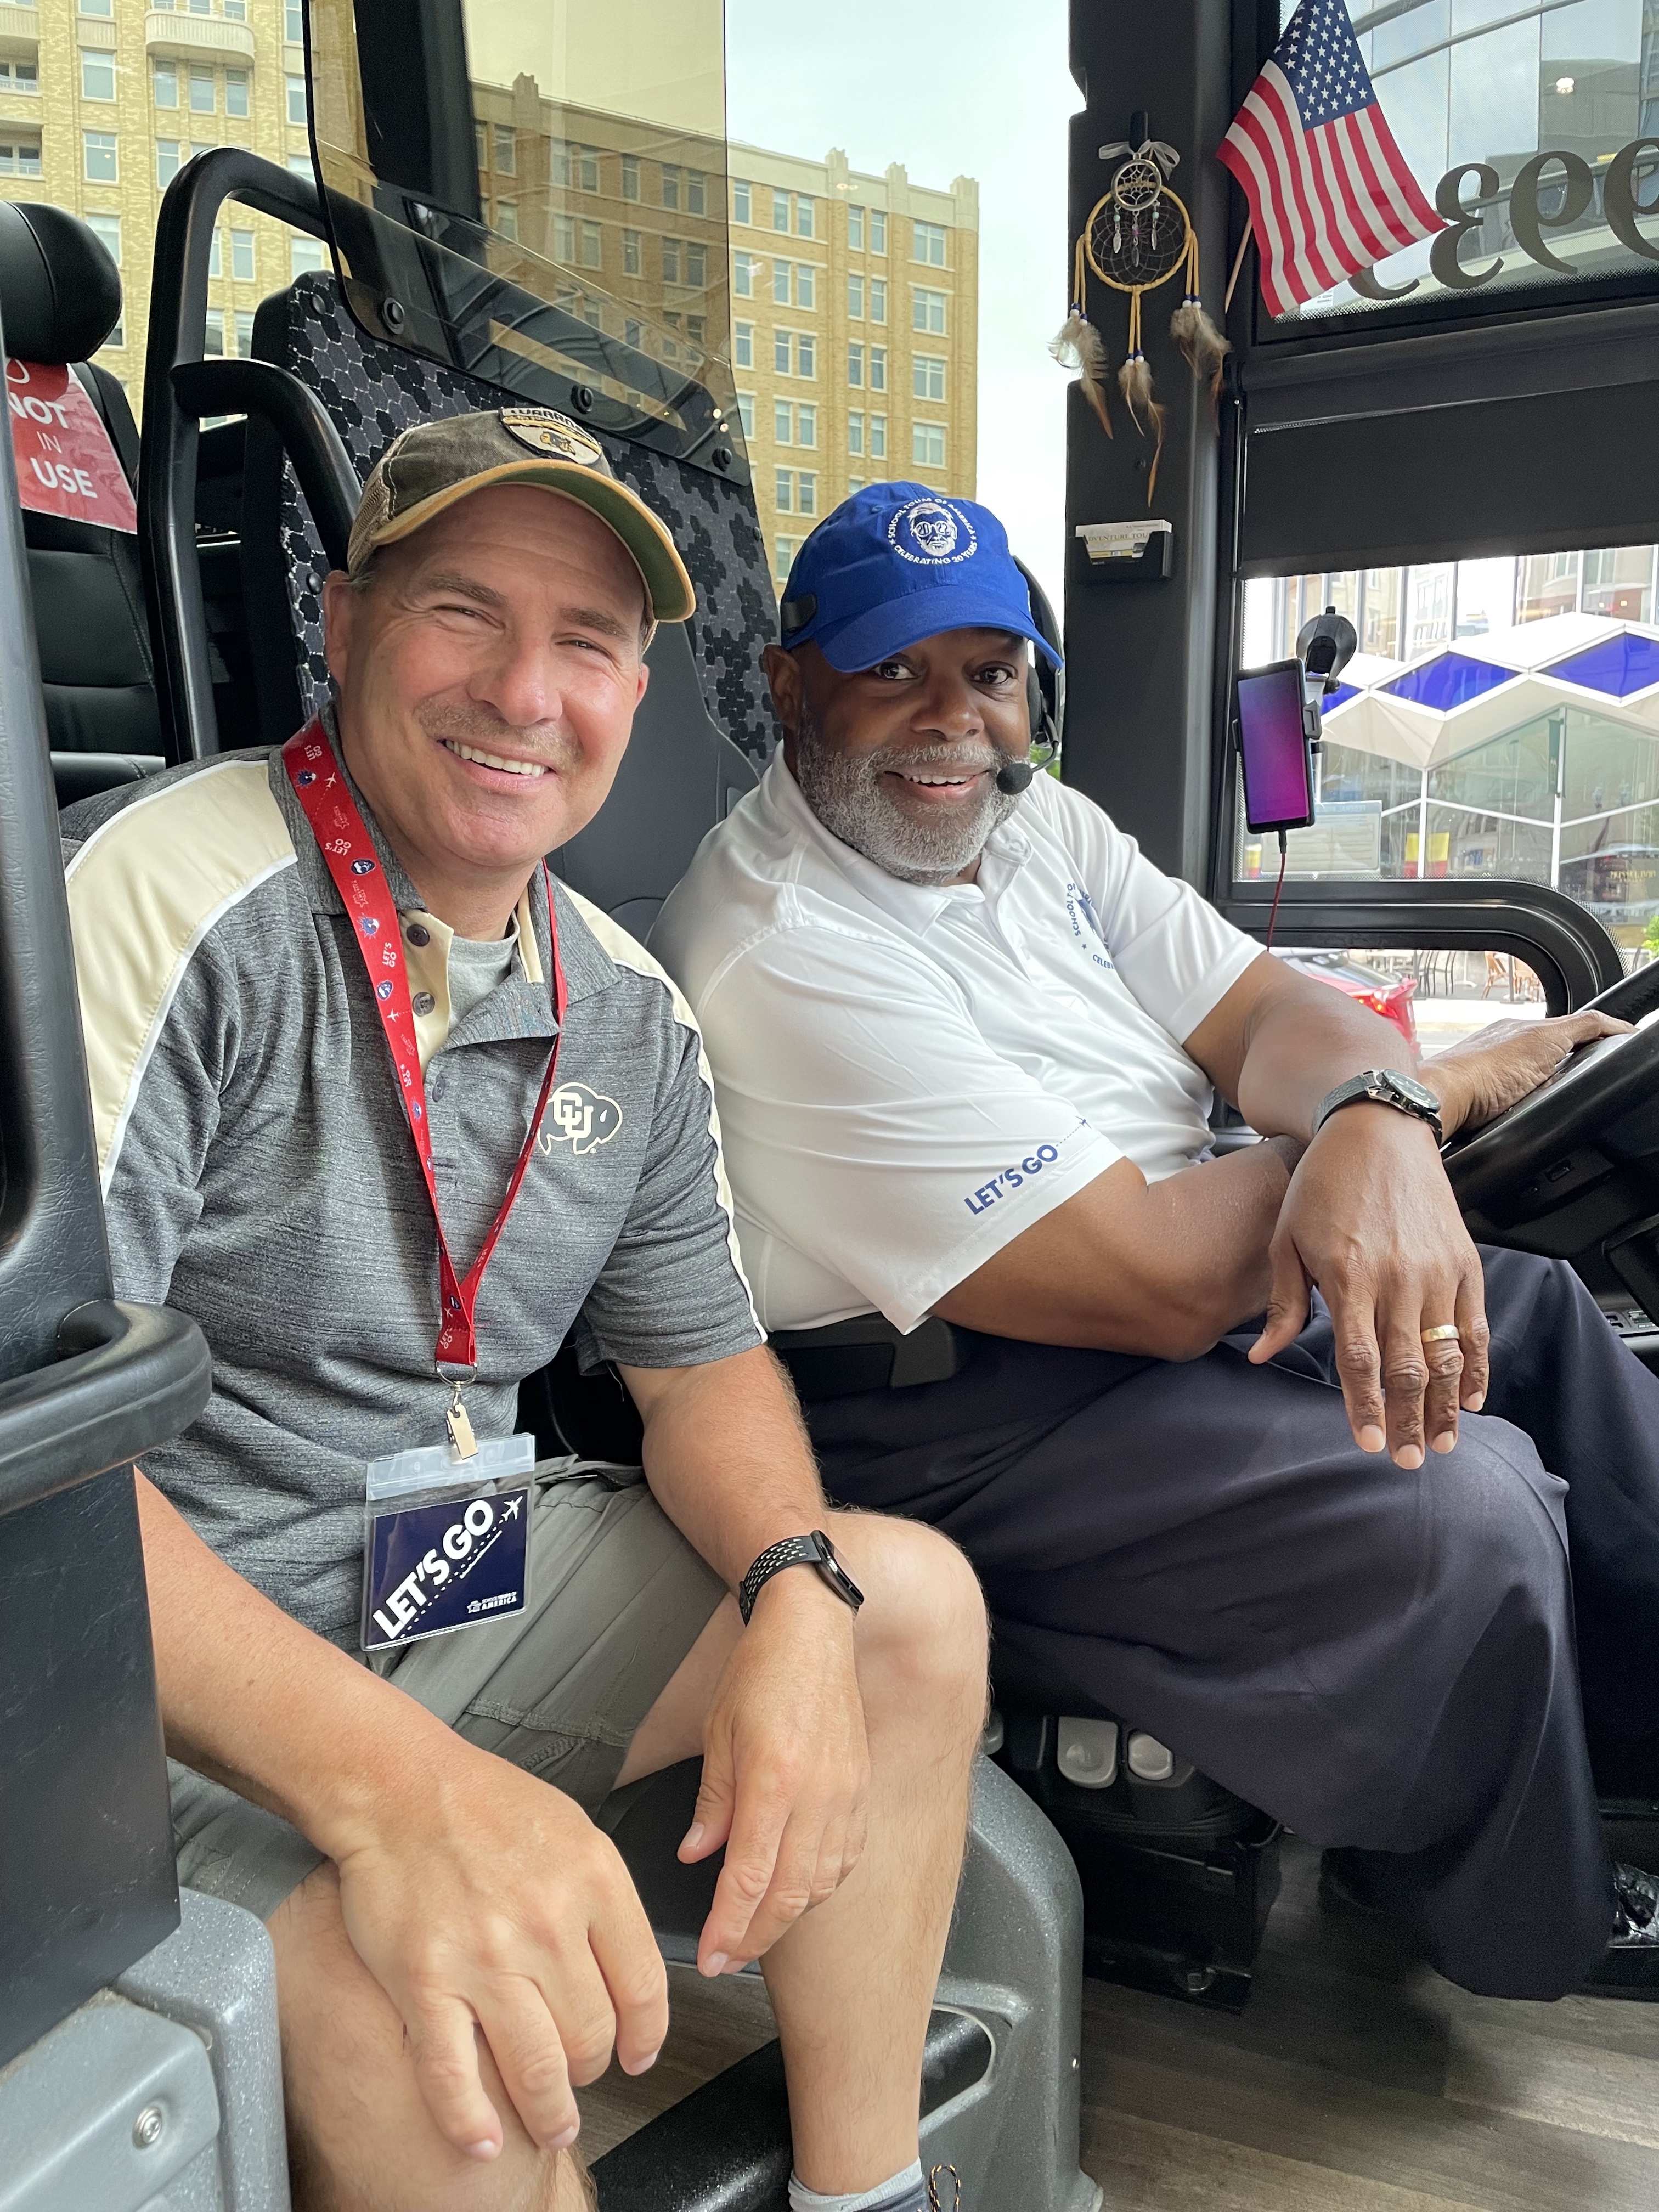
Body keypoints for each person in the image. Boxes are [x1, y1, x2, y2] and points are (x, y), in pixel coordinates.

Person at [62, 421, 989, 2212]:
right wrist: (409, 1795)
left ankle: (865, 2198)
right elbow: (36, 1473)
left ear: (636, 688)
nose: (521, 691)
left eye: (585, 642)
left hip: (448, 1585)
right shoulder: (166, 898)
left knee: (907, 1613)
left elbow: (704, 1363)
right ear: (341, 626)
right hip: (155, 1686)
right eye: (461, 613)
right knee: (450, 2043)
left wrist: (795, 1589)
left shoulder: (624, 1004)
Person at [652, 479, 1659, 2006]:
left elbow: (1264, 1013)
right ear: (789, 687)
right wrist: (1422, 1093)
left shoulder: (1036, 819)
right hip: (966, 1400)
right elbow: (1156, 1281)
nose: (953, 721)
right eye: (893, 672)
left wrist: (1373, 1112)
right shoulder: (775, 945)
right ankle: (1523, 1909)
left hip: (1161, 1273)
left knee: (1531, 1322)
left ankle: (1634, 1757)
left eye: (989, 674)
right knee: (1464, 1511)